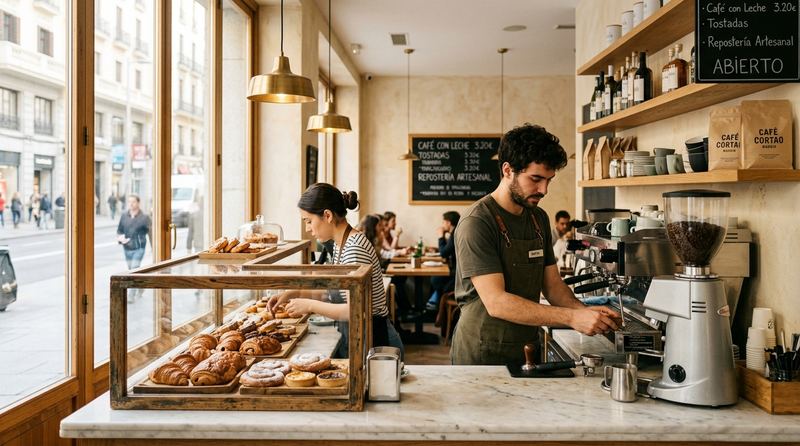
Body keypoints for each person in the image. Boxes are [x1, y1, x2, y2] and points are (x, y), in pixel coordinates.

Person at [450, 123, 620, 365]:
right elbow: (496, 303)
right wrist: (571, 318)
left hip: (526, 348)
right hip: (482, 351)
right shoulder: (477, 222)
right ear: (508, 170)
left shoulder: (537, 217)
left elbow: (552, 286)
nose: (544, 190)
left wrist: (584, 312)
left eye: (549, 180)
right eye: (536, 179)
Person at [268, 183, 404, 359]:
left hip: (376, 344)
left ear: (327, 215)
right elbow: (336, 293)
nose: (308, 229)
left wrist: (309, 305)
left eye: (309, 221)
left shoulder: (354, 247)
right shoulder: (342, 244)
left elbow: (355, 309)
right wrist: (294, 293)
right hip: (361, 337)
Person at [117, 195, 152, 301]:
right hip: (127, 247)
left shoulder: (145, 217)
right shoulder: (124, 216)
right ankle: (141, 286)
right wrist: (120, 238)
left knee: (134, 269)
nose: (131, 204)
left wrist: (153, 247)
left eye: (133, 202)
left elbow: (151, 233)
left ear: (138, 203)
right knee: (132, 269)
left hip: (139, 247)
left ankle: (131, 295)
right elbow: (119, 230)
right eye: (129, 202)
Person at [425, 211, 460, 311]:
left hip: (458, 275)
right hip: (455, 271)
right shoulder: (454, 233)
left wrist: (440, 236)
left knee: (435, 279)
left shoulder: (455, 235)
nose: (442, 225)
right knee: (435, 278)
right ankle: (434, 305)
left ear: (448, 223)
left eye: (443, 222)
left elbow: (444, 253)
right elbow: (446, 251)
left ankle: (435, 307)